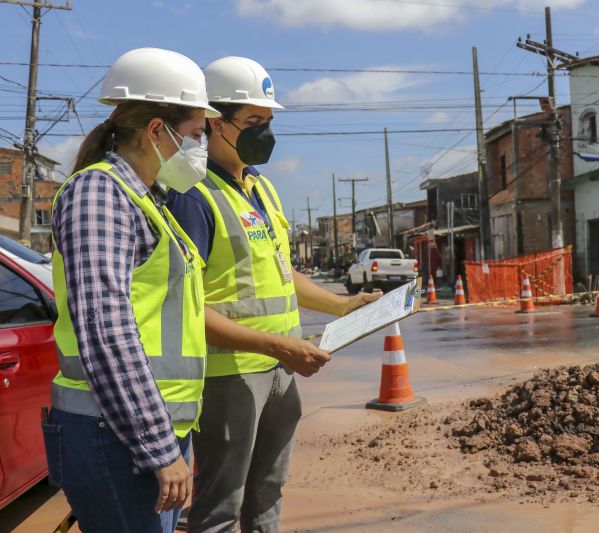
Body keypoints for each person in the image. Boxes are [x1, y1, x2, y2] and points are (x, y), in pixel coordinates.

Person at [166, 56, 380, 533]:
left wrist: (342, 305)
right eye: (254, 122)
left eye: (269, 121)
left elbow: (284, 275)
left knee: (268, 493)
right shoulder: (192, 196)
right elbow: (186, 308)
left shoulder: (262, 189)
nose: (265, 133)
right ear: (217, 125)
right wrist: (278, 346)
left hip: (282, 370)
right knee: (221, 505)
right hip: (230, 378)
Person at [41, 48, 219, 532]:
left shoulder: (146, 199)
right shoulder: (99, 195)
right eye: (197, 135)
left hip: (139, 429)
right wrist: (161, 448)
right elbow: (107, 332)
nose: (201, 148)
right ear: (157, 131)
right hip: (116, 435)